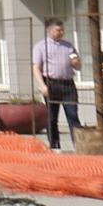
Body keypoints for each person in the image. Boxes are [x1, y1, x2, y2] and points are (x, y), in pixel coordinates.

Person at [31, 18, 82, 150]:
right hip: (51, 83)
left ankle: (79, 145)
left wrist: (76, 63)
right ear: (49, 30)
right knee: (52, 117)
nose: (61, 32)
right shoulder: (41, 46)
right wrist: (42, 86)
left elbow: (78, 66)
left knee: (73, 115)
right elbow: (36, 67)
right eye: (58, 30)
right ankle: (54, 146)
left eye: (62, 30)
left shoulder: (68, 46)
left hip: (68, 84)